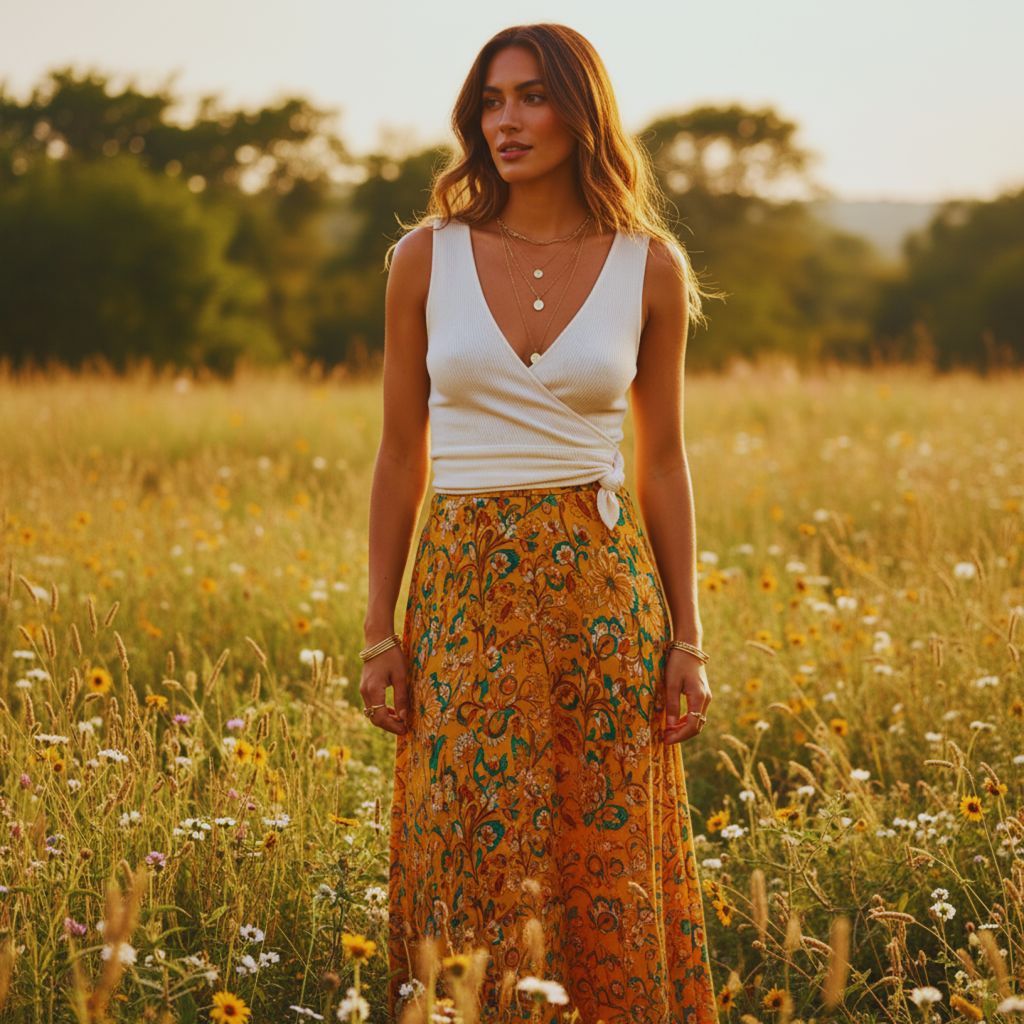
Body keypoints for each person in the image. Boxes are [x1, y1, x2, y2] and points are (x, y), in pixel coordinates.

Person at [360, 22, 722, 1024]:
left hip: (600, 596)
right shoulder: (423, 259)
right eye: (490, 100)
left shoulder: (648, 267)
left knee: (601, 851)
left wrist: (686, 634)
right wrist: (379, 630)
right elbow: (400, 454)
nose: (506, 120)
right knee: (468, 845)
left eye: (530, 96)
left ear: (580, 109)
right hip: (462, 591)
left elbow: (661, 460)